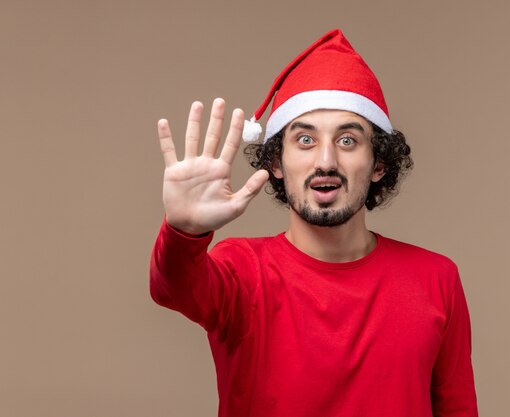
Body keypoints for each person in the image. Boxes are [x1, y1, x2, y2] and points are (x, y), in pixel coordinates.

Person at [150, 29, 478, 417]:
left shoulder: (436, 278)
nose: (326, 161)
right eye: (305, 140)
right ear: (276, 162)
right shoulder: (241, 269)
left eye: (348, 141)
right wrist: (183, 231)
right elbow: (171, 286)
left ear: (379, 164)